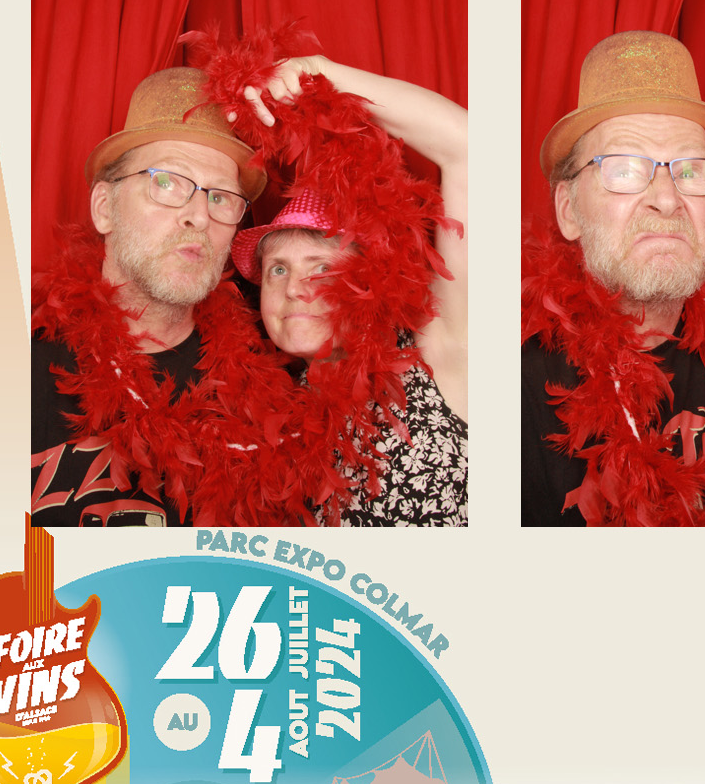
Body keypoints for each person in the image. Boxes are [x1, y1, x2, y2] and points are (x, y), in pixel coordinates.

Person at [31, 68, 311, 527]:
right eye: (167, 182)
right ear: (104, 208)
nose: (199, 216)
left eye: (221, 197)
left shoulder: (274, 385)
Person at [522, 31, 705, 525]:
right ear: (569, 210)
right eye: (624, 170)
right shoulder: (510, 378)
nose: (666, 199)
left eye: (690, 171)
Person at [229, 53, 467, 525]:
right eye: (278, 269)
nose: (295, 289)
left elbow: (472, 148)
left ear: (367, 279)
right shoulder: (275, 416)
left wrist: (320, 76)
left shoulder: (437, 352)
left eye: (321, 268)